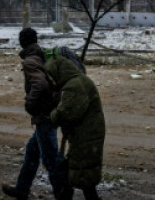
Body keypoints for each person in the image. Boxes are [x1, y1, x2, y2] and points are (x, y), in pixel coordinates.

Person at [2, 27, 68, 200]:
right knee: (33, 151)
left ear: (22, 42)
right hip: (50, 111)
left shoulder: (30, 61)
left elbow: (40, 84)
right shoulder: (42, 55)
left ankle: (62, 195)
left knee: (50, 159)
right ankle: (22, 190)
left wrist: (30, 104)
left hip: (44, 115)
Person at [45, 53, 106, 200]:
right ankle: (65, 195)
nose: (52, 82)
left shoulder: (74, 86)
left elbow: (66, 114)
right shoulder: (77, 82)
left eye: (52, 77)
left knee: (83, 173)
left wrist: (52, 115)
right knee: (76, 170)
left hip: (86, 137)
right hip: (86, 134)